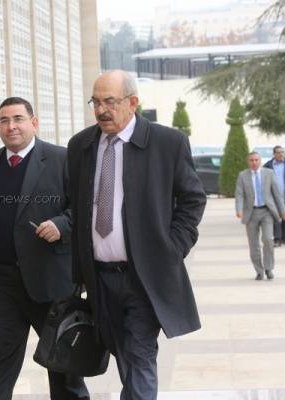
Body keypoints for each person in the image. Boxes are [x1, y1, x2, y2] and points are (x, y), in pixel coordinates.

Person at [67, 70, 207, 400]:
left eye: (110, 102)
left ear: (133, 102)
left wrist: (171, 248)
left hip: (144, 277)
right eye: (95, 102)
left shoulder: (168, 143)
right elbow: (75, 205)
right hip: (100, 278)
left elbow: (193, 199)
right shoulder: (80, 146)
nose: (102, 110)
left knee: (140, 353)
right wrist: (79, 272)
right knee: (125, 355)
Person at [0, 97, 89, 400]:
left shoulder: (61, 159)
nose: (11, 126)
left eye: (18, 119)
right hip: (1, 280)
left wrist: (62, 225)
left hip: (49, 278)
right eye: (4, 120)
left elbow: (85, 209)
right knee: (1, 355)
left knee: (62, 359)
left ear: (33, 123)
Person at [236, 151, 285, 280]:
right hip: (251, 213)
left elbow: (277, 194)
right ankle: (259, 271)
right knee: (253, 244)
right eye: (251, 160)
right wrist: (239, 209)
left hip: (266, 212)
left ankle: (269, 268)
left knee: (268, 239)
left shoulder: (269, 173)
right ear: (248, 162)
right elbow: (239, 194)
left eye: (256, 160)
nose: (254, 163)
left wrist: (283, 210)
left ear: (260, 161)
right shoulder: (242, 176)